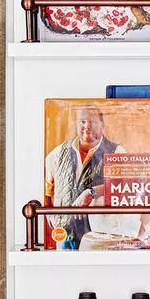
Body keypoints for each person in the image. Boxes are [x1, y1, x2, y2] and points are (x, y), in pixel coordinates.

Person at [44, 104, 125, 248]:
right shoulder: (57, 153)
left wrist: (91, 192)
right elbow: (47, 189)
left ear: (102, 125)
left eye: (92, 121)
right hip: (64, 233)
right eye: (82, 121)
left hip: (100, 233)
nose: (87, 126)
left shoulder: (117, 152)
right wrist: (51, 214)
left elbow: (124, 187)